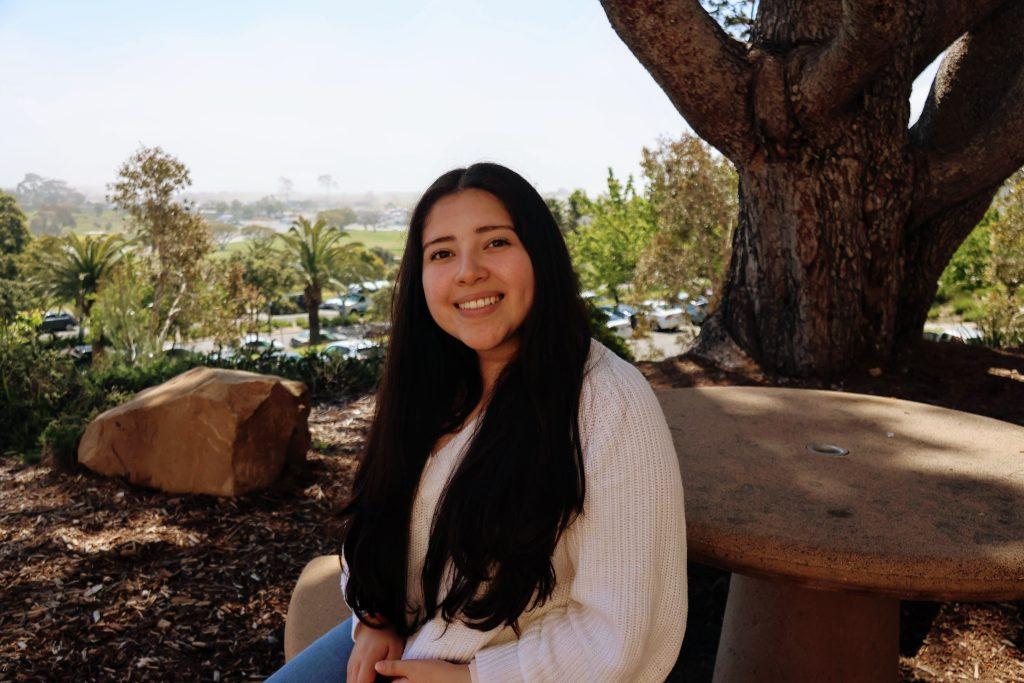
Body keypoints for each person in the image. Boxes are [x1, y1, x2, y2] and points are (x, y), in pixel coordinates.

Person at [268, 162, 687, 682]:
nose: (468, 271)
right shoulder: (429, 382)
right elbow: (378, 520)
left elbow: (618, 630)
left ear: (540, 255)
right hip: (409, 643)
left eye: (495, 243)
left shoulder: (608, 402)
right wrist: (375, 616)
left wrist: (473, 680)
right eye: (442, 253)